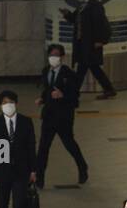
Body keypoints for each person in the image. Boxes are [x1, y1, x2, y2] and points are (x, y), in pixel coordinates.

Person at [34, 42, 87, 188]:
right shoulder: (46, 71)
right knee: (43, 147)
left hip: (64, 116)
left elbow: (75, 97)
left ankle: (82, 166)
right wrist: (43, 99)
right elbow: (47, 90)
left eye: (56, 55)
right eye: (51, 55)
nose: (53, 58)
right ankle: (39, 178)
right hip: (49, 115)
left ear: (62, 57)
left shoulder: (69, 74)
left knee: (69, 144)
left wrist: (63, 95)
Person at [66, 0, 116, 99]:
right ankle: (109, 89)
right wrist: (67, 14)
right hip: (83, 43)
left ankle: (73, 92)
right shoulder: (82, 5)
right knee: (92, 68)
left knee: (83, 68)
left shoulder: (95, 5)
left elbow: (102, 24)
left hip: (91, 43)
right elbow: (75, 20)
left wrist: (101, 40)